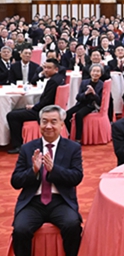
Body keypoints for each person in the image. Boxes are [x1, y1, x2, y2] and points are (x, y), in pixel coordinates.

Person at [11, 105, 83, 256]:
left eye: (53, 121)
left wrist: (54, 170)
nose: (48, 126)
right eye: (44, 121)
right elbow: (16, 181)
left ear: (62, 124)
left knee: (72, 225)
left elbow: (76, 177)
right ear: (39, 123)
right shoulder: (28, 148)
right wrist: (33, 171)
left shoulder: (72, 148)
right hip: (33, 202)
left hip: (60, 200)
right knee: (20, 230)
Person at [7, 59, 66, 154]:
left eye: (49, 68)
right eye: (45, 67)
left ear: (56, 69)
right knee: (18, 110)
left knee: (12, 115)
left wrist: (34, 107)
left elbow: (46, 102)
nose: (46, 70)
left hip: (45, 111)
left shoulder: (53, 82)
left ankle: (18, 145)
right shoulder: (60, 78)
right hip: (52, 109)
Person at [65, 64, 104, 143]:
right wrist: (86, 93)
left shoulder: (102, 84)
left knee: (79, 115)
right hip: (81, 103)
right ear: (90, 72)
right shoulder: (84, 82)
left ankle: (78, 138)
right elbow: (78, 97)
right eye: (94, 71)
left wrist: (94, 93)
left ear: (101, 74)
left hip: (92, 105)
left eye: (98, 71)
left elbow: (100, 101)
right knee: (66, 114)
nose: (95, 73)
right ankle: (70, 133)